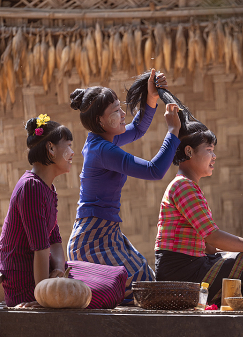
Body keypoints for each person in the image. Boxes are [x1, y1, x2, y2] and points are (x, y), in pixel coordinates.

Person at [148, 91, 243, 306]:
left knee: (239, 255)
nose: (213, 156)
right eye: (208, 150)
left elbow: (208, 247)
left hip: (191, 266)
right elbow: (212, 237)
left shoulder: (188, 186)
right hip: (181, 274)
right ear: (188, 151)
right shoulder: (183, 187)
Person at [67, 69, 181, 304]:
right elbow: (154, 170)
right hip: (92, 240)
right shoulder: (103, 150)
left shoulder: (100, 139)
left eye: (120, 107)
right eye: (115, 111)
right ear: (100, 121)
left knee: (145, 281)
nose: (122, 114)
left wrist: (151, 98)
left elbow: (138, 128)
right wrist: (173, 132)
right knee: (141, 288)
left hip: (105, 234)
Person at [0, 114, 74, 307]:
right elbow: (40, 249)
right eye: (69, 145)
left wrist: (57, 269)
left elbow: (55, 239)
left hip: (42, 276)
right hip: (26, 282)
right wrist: (43, 299)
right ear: (50, 148)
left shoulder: (48, 188)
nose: (73, 152)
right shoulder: (31, 188)